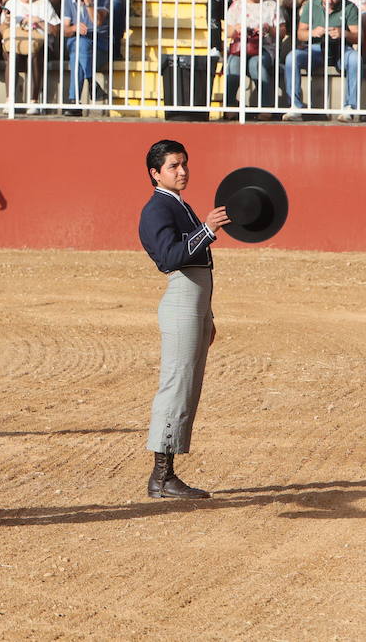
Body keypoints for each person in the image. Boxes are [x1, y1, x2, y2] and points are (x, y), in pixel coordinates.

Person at [137, 139, 229, 501]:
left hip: (193, 305)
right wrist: (206, 230)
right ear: (155, 173)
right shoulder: (157, 208)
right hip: (181, 303)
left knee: (186, 386)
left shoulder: (176, 205)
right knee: (177, 385)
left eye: (184, 164)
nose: (182, 171)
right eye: (174, 166)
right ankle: (161, 477)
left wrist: (207, 314)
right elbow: (168, 258)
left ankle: (166, 475)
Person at [282, 0, 363, 121]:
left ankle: (349, 107)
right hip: (315, 49)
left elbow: (358, 37)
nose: (330, 1)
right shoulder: (311, 5)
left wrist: (343, 33)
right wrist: (313, 32)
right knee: (291, 57)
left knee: (355, 59)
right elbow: (300, 34)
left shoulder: (349, 6)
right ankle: (295, 106)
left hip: (340, 49)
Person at [222, 0, 280, 113]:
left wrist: (268, 28)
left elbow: (281, 32)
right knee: (234, 64)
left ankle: (265, 107)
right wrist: (236, 28)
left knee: (256, 64)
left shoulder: (270, 5)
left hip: (263, 47)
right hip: (240, 47)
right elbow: (227, 32)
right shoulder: (237, 4)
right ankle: (230, 107)